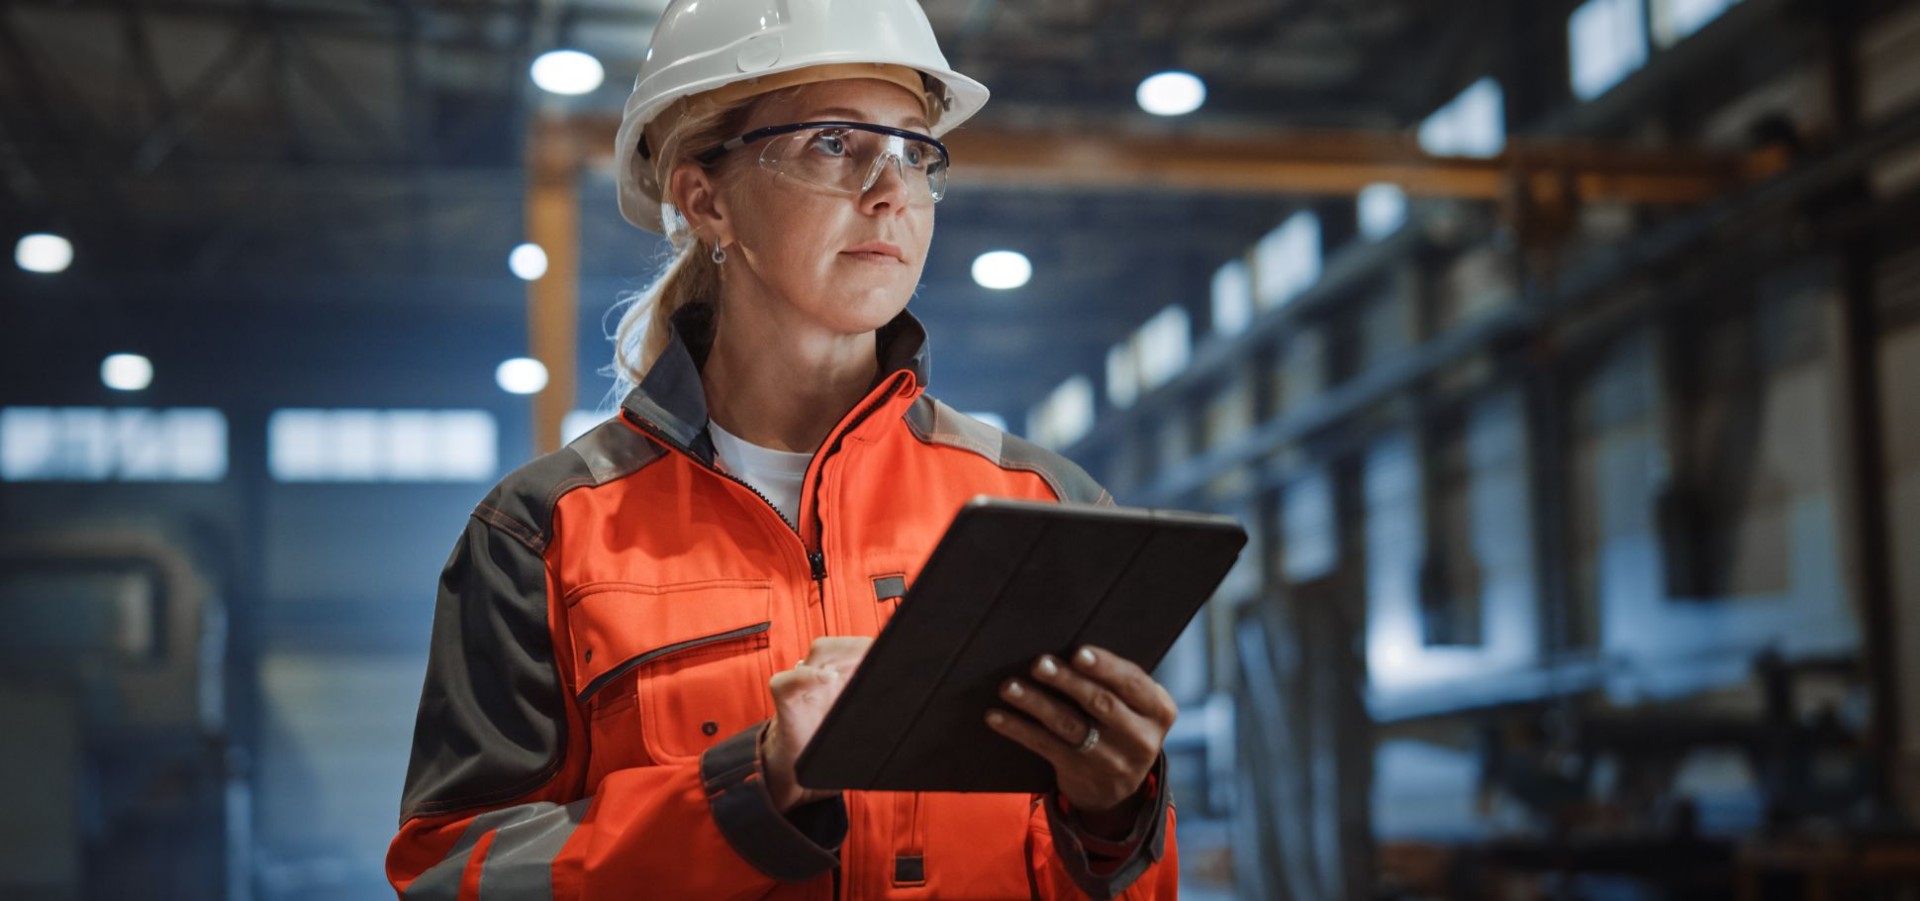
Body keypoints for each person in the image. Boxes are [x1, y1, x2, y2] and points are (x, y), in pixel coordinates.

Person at [386, 0, 1181, 896]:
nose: (891, 189)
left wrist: (1114, 816)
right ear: (705, 198)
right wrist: (751, 787)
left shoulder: (1046, 507)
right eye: (835, 144)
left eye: (916, 151)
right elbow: (456, 873)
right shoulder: (545, 533)